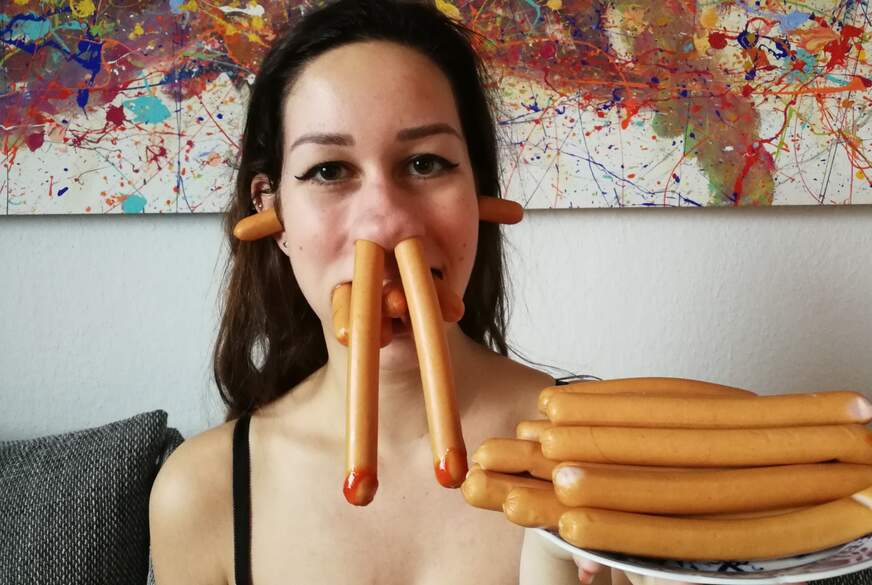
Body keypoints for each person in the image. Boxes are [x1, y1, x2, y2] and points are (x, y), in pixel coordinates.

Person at [147, 0, 694, 583]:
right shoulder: (199, 493)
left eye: (426, 163)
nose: (385, 224)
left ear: (479, 197)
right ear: (271, 211)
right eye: (329, 170)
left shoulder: (604, 456)